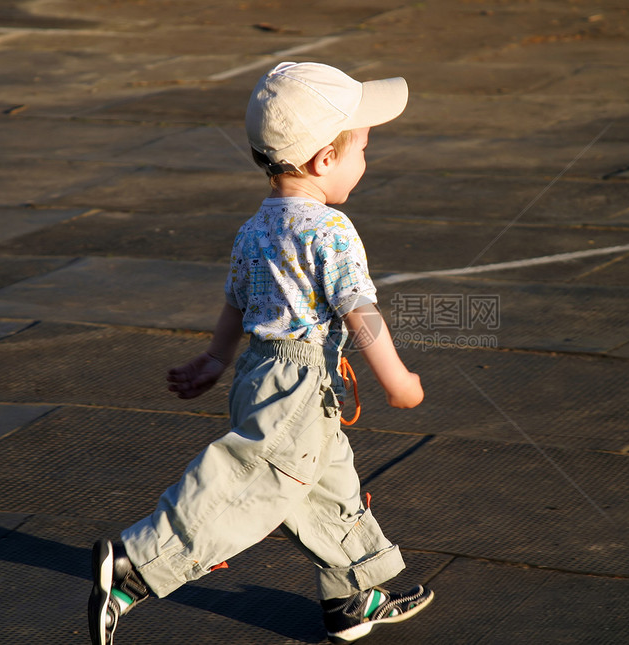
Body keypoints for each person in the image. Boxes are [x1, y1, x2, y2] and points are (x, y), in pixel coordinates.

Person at [88, 61, 434, 645]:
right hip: (298, 384)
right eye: (362, 150)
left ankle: (355, 594)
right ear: (326, 160)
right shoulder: (331, 230)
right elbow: (360, 312)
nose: (365, 162)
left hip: (261, 373)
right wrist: (397, 379)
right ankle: (137, 565)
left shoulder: (254, 227)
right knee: (249, 487)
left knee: (329, 487)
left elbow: (235, 305)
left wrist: (217, 362)